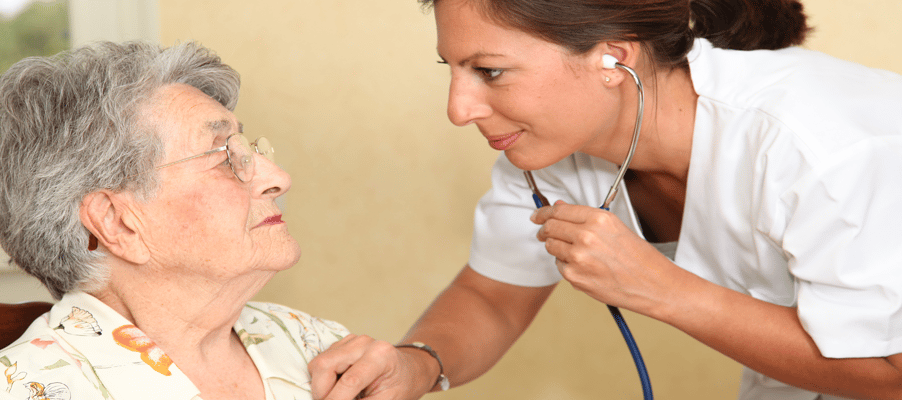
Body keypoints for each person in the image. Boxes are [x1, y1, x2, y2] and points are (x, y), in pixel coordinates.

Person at [307, 0, 902, 399]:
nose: (458, 110)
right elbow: (492, 296)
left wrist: (666, 292)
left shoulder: (824, 145)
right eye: (452, 70)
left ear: (614, 58)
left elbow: (892, 373)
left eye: (489, 72)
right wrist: (417, 365)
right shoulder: (551, 151)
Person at [0, 41, 351, 400]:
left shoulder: (315, 344)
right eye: (226, 156)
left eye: (248, 147)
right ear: (118, 223)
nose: (278, 179)